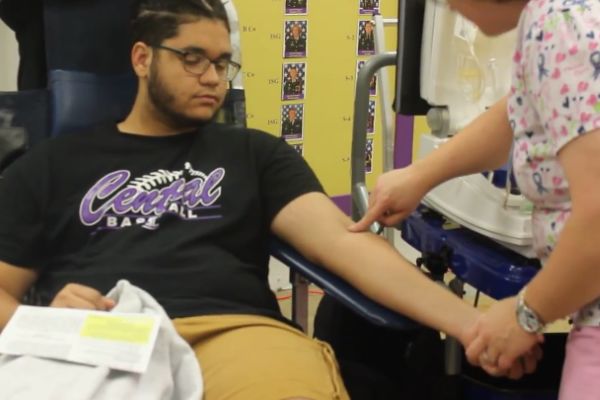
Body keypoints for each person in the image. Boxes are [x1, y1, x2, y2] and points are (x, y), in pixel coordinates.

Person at [0, 0, 536, 398]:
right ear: (142, 58)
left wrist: (472, 325)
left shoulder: (254, 154)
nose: (212, 78)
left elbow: (345, 247)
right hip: (100, 338)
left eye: (222, 63)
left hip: (236, 334)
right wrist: (45, 322)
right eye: (192, 59)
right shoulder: (53, 163)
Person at [350, 0, 600, 398]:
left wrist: (525, 315)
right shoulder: (569, 18)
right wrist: (420, 175)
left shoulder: (558, 26)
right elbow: (521, 108)